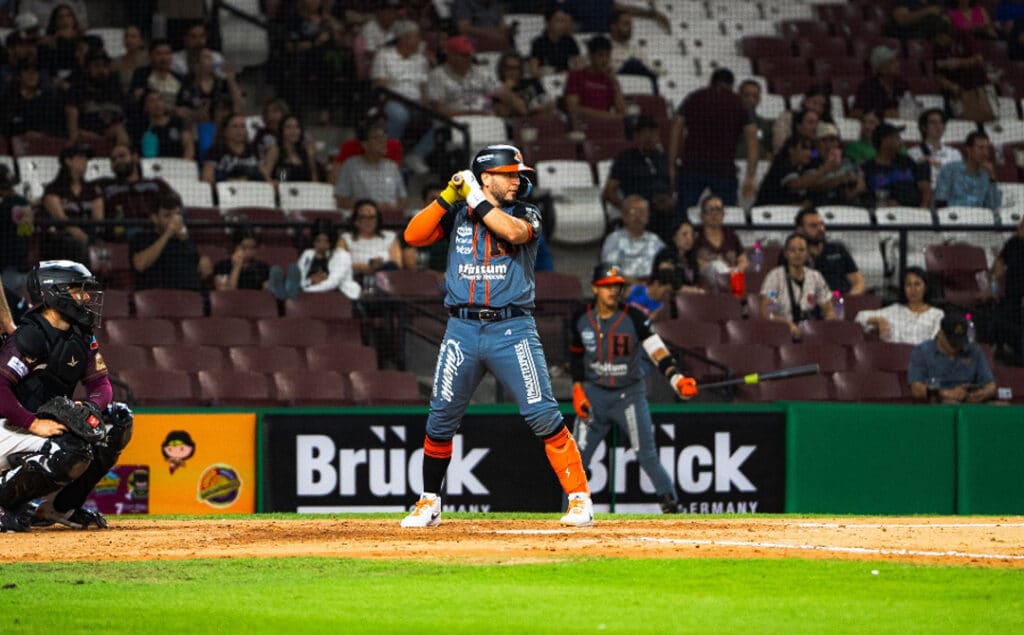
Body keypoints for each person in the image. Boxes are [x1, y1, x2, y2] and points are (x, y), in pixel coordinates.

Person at [401, 144, 595, 528]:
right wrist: (447, 196)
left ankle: (580, 500)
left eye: (517, 173)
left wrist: (473, 196)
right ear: (486, 176)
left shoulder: (528, 212)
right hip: (462, 328)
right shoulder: (457, 213)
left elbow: (511, 232)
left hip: (512, 328)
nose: (517, 179)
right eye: (508, 173)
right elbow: (413, 235)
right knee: (440, 419)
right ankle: (429, 501)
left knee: (543, 414)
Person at [0, 260, 135, 532]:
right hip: (9, 427)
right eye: (78, 290)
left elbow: (101, 386)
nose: (86, 297)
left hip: (43, 425)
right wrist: (32, 423)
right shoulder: (30, 335)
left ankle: (58, 508)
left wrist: (91, 408)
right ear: (55, 292)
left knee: (116, 421)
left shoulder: (81, 335)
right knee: (70, 451)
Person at [569, 263, 697, 515]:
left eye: (617, 286)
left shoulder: (634, 317)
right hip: (594, 394)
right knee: (576, 460)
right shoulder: (581, 317)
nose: (613, 292)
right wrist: (577, 389)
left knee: (647, 455)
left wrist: (677, 379)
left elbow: (657, 351)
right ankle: (571, 509)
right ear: (595, 289)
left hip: (629, 395)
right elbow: (575, 356)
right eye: (607, 287)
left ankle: (671, 507)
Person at [669, 68, 759, 220]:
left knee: (683, 214)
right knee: (727, 215)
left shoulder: (694, 98)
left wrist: (671, 165)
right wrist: (750, 176)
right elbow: (752, 142)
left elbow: (676, 128)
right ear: (731, 85)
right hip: (723, 169)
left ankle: (680, 240)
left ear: (711, 82)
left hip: (692, 166)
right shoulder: (740, 103)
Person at [370, 19, 433, 175]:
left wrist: (428, 103)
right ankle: (389, 156)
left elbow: (424, 87)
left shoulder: (421, 59)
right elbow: (379, 83)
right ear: (403, 38)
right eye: (415, 37)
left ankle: (416, 155)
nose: (419, 41)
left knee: (439, 120)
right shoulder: (384, 55)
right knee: (399, 116)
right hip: (392, 100)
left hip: (416, 102)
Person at [602, 114, 673, 241]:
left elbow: (671, 185)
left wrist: (669, 199)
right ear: (636, 136)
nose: (649, 137)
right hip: (639, 211)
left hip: (665, 211)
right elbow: (608, 192)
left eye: (653, 132)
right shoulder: (625, 158)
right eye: (644, 133)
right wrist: (627, 208)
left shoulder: (663, 158)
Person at [129, 193, 212, 290]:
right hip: (158, 296)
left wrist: (203, 262)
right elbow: (140, 265)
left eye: (177, 214)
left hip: (192, 297)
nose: (174, 220)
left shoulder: (185, 240)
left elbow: (201, 271)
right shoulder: (142, 238)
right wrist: (168, 233)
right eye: (167, 216)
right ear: (154, 218)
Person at [759, 233, 836, 339]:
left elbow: (828, 309)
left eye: (801, 250)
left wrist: (822, 328)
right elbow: (765, 311)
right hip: (781, 332)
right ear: (786, 254)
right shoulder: (775, 276)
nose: (797, 254)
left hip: (810, 332)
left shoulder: (815, 276)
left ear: (807, 254)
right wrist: (787, 324)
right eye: (792, 250)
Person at [908, 311, 996, 402]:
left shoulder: (974, 350)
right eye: (952, 344)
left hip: (970, 400)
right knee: (950, 403)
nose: (957, 347)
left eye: (960, 342)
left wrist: (983, 393)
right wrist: (945, 393)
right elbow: (916, 389)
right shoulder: (922, 352)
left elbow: (991, 386)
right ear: (940, 335)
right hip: (939, 402)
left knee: (1001, 406)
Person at [269, 219, 360, 301]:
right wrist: (310, 281)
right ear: (313, 241)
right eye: (318, 241)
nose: (322, 245)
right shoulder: (308, 254)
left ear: (331, 241)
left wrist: (304, 290)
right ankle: (281, 290)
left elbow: (332, 283)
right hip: (307, 294)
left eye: (326, 241)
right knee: (293, 275)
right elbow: (301, 278)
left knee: (293, 293)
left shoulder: (342, 256)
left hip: (333, 296)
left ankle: (285, 292)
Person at [42, 144, 104, 264]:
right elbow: (62, 219)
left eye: (86, 159)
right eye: (80, 157)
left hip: (89, 236)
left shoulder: (92, 190)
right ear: (68, 161)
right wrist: (83, 237)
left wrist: (90, 237)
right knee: (76, 244)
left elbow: (98, 219)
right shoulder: (54, 189)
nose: (85, 162)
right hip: (62, 241)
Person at [93, 143, 175, 230]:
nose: (117, 161)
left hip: (155, 231)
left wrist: (161, 217)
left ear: (135, 157)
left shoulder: (156, 184)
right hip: (123, 234)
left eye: (122, 156)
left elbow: (175, 204)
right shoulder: (105, 185)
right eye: (113, 159)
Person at [855, 267, 943, 344]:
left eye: (917, 284)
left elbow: (935, 345)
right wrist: (878, 320)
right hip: (894, 358)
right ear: (904, 288)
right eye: (908, 284)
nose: (913, 289)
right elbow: (860, 317)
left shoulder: (937, 314)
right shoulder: (894, 310)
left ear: (926, 287)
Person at [334, 124, 406, 214]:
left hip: (391, 221)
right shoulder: (351, 165)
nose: (383, 141)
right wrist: (373, 207)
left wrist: (394, 208)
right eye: (377, 138)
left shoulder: (392, 167)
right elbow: (341, 201)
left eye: (384, 137)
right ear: (365, 144)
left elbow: (403, 199)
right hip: (363, 220)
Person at [64, 49, 130, 147]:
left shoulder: (117, 91)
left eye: (105, 66)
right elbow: (72, 120)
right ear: (87, 69)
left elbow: (125, 119)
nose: (101, 70)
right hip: (86, 138)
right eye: (96, 66)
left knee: (120, 131)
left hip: (112, 139)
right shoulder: (77, 90)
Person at [794, 206, 865, 296]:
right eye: (813, 226)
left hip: (841, 301)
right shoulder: (794, 255)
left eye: (821, 224)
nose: (821, 229)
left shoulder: (838, 249)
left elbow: (858, 281)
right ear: (800, 229)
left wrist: (849, 299)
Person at [861, 122, 933, 209]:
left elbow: (925, 190)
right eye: (896, 137)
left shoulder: (907, 162)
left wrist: (923, 210)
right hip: (885, 214)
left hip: (915, 213)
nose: (900, 141)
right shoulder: (867, 167)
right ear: (884, 141)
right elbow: (864, 197)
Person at [600, 195, 666, 285]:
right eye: (633, 212)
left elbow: (666, 265)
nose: (638, 217)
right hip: (625, 288)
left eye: (642, 212)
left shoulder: (655, 240)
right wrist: (636, 283)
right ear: (624, 216)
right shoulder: (614, 240)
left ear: (648, 217)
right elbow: (610, 272)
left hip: (653, 287)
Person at [564, 35, 626, 124]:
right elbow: (573, 109)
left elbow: (622, 113)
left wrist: (615, 83)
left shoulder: (609, 80)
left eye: (607, 55)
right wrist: (607, 116)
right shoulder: (576, 76)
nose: (605, 60)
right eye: (600, 55)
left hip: (606, 127)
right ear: (591, 55)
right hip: (582, 125)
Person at [987, 218, 1024, 365]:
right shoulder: (1013, 243)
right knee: (996, 320)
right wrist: (994, 288)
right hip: (1012, 298)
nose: (1020, 228)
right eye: (1021, 225)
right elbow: (998, 265)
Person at [934, 131, 1002, 211]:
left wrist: (992, 177)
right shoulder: (949, 170)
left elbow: (994, 206)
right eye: (980, 148)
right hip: (953, 218)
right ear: (969, 149)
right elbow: (940, 201)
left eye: (987, 148)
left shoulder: (987, 176)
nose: (985, 153)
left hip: (979, 219)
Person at [339, 199, 402, 284]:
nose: (369, 221)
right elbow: (340, 264)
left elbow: (397, 264)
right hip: (354, 281)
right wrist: (369, 267)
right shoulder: (345, 238)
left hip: (386, 282)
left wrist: (379, 267)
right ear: (356, 221)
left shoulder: (390, 237)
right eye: (364, 217)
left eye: (372, 217)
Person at [175, 47, 244, 125]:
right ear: (197, 63)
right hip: (196, 127)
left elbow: (239, 107)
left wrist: (231, 80)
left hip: (220, 126)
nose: (212, 61)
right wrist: (195, 113)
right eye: (207, 57)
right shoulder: (187, 85)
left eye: (211, 58)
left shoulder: (222, 83)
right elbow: (179, 110)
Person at [754, 135, 826, 206]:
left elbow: (816, 186)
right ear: (791, 150)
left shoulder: (802, 167)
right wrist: (825, 169)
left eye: (811, 149)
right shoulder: (782, 165)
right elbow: (796, 185)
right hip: (767, 213)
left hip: (787, 212)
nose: (809, 153)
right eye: (804, 148)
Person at [1, 62, 66, 138]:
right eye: (27, 72)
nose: (32, 75)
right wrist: (23, 133)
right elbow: (4, 126)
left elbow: (55, 125)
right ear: (19, 77)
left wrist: (42, 133)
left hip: (43, 143)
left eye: (35, 72)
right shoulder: (9, 100)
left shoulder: (48, 100)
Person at [693, 194, 747, 285]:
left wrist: (736, 270)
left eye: (718, 209)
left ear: (723, 214)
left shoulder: (731, 236)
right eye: (710, 209)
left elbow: (743, 260)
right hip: (707, 283)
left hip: (733, 282)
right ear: (702, 215)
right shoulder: (696, 237)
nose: (714, 214)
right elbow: (693, 262)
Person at [809, 122, 867, 206]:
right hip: (824, 207)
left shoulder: (849, 162)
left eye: (832, 140)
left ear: (838, 143)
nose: (829, 145)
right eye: (824, 140)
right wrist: (839, 180)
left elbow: (862, 184)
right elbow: (814, 187)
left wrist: (852, 191)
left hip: (851, 207)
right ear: (817, 144)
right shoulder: (811, 163)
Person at [131, 89, 196, 160]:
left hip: (178, 166)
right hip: (153, 167)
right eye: (152, 101)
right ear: (145, 107)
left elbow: (188, 146)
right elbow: (137, 154)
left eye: (160, 99)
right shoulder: (141, 128)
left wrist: (184, 165)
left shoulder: (177, 122)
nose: (157, 104)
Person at [907, 108, 964, 188]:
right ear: (924, 127)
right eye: (933, 123)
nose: (938, 126)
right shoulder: (913, 152)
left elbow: (960, 178)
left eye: (941, 122)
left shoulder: (954, 153)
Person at [850, 45, 911, 120]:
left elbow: (910, 106)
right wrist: (884, 114)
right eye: (892, 62)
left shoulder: (902, 85)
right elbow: (855, 113)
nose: (897, 64)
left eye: (897, 61)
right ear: (882, 68)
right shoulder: (867, 87)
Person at [202, 113, 262, 182]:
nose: (239, 130)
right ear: (225, 130)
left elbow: (262, 175)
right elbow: (207, 178)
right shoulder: (215, 151)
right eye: (234, 126)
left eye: (242, 126)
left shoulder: (253, 150)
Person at [0, 167, 33, 291]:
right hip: (22, 264)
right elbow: (27, 232)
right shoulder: (23, 202)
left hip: (7, 267)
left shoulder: (3, 207)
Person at [261, 114, 320, 184]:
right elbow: (264, 173)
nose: (293, 131)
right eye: (289, 127)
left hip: (304, 192)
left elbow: (314, 180)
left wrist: (311, 158)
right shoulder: (275, 150)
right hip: (282, 192)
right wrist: (272, 183)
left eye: (297, 127)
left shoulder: (305, 152)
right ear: (282, 130)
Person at [129, 39, 185, 111]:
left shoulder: (179, 78)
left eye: (167, 53)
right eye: (159, 54)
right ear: (150, 56)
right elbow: (135, 98)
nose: (164, 58)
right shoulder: (141, 74)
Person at [494, 52, 555, 118]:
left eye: (516, 68)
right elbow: (521, 111)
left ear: (520, 69)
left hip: (541, 119)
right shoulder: (497, 91)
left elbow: (549, 103)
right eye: (508, 67)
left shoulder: (532, 82)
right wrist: (506, 90)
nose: (512, 71)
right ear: (502, 69)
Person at [653, 220, 705, 294]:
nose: (689, 238)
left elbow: (695, 282)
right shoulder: (665, 255)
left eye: (692, 235)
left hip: (690, 298)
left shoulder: (691, 258)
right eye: (684, 234)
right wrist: (691, 290)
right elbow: (667, 282)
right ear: (674, 237)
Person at [529, 7, 580, 76]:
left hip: (566, 78)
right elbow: (533, 70)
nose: (563, 25)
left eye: (563, 21)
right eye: (559, 21)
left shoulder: (569, 41)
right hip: (546, 79)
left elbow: (578, 64)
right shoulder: (538, 43)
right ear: (548, 23)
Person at [737, 79, 772, 160]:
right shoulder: (729, 121)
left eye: (755, 96)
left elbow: (769, 150)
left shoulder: (764, 124)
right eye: (746, 95)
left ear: (759, 99)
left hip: (760, 165)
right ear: (738, 97)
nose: (750, 99)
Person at [114, 25, 147, 93]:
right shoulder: (117, 61)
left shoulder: (148, 60)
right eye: (126, 36)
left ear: (141, 40)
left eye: (133, 37)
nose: (128, 40)